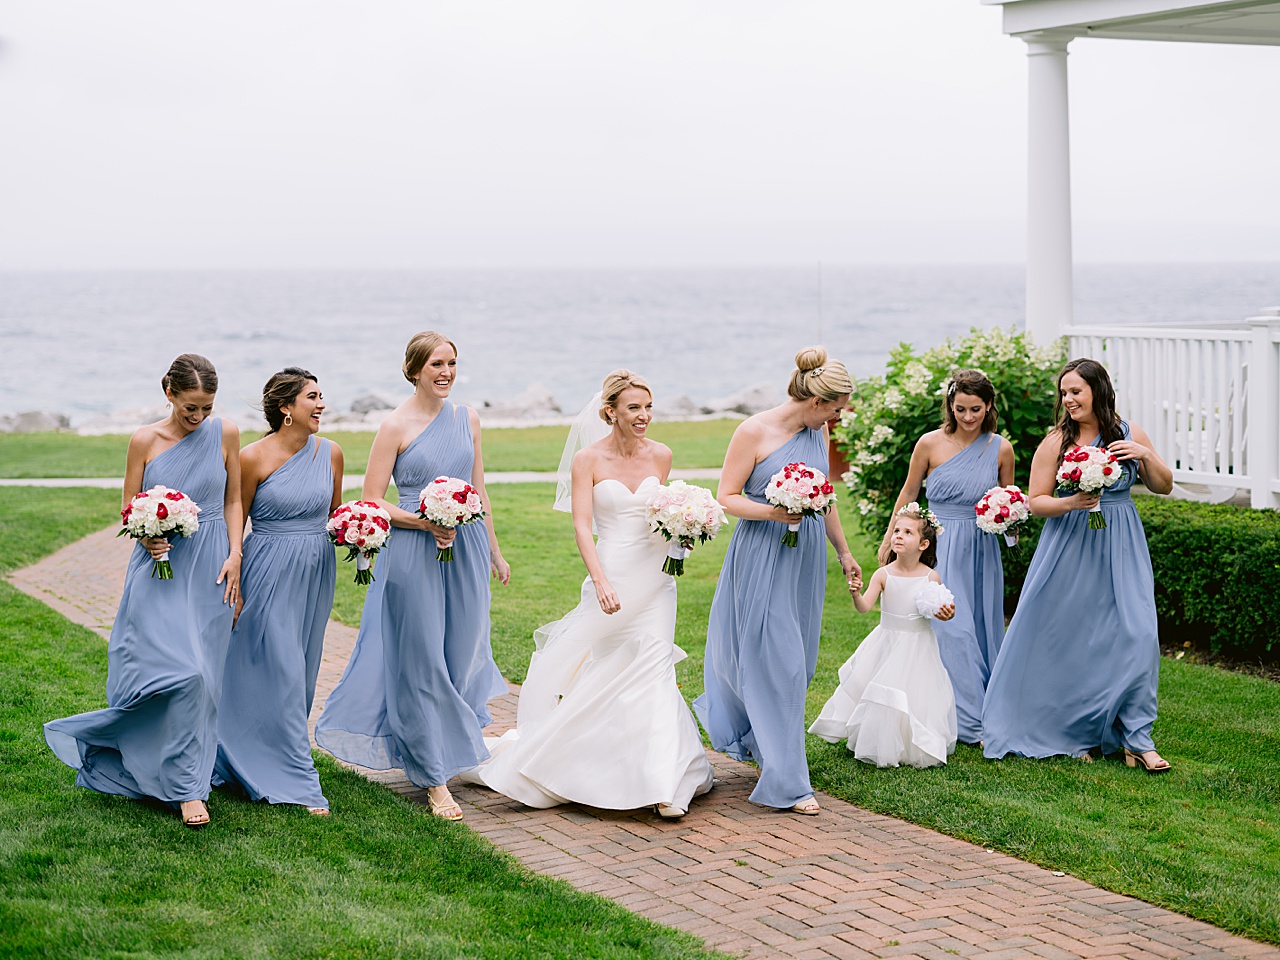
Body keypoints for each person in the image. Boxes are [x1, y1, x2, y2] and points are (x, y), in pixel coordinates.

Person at [461, 371, 714, 817]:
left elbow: (661, 514)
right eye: (633, 408)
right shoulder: (588, 460)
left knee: (654, 671)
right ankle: (578, 761)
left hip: (658, 582)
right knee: (609, 670)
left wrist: (684, 533)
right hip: (611, 574)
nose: (643, 416)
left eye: (648, 407)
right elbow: (582, 525)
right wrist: (599, 580)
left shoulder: (662, 456)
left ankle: (663, 782)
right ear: (610, 411)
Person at [316, 331, 510, 820]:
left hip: (463, 549)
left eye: (452, 364)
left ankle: (448, 746)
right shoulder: (395, 426)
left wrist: (493, 548)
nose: (446, 373)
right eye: (436, 365)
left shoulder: (469, 418)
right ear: (414, 370)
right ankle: (432, 776)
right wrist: (425, 522)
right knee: (421, 660)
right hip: (412, 550)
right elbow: (373, 496)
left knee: (461, 656)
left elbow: (479, 488)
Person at [44, 354, 242, 828]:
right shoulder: (144, 440)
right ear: (168, 392)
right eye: (190, 407)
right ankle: (174, 779)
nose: (198, 418)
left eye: (207, 409)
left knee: (205, 680)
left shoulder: (227, 433)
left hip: (213, 564)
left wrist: (236, 554)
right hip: (158, 568)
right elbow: (129, 506)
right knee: (180, 673)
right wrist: (145, 532)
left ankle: (190, 783)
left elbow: (234, 498)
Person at [982, 358, 1174, 770]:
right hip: (1070, 544)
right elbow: (1036, 501)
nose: (1068, 399)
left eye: (1076, 391)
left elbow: (1163, 485)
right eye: (1064, 392)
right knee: (1070, 638)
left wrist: (1143, 454)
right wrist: (1072, 501)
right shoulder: (1057, 441)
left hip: (1121, 541)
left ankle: (1138, 738)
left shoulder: (1128, 433)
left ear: (1098, 391)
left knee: (1138, 634)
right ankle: (1074, 728)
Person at [694, 346, 861, 815]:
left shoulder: (819, 429)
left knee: (798, 663)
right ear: (814, 401)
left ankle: (764, 742)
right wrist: (775, 511)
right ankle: (789, 783)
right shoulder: (753, 431)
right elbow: (726, 496)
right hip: (762, 552)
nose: (838, 416)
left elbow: (824, 498)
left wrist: (844, 552)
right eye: (835, 408)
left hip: (803, 556)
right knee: (777, 662)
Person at [214, 368, 342, 815]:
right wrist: (235, 567)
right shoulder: (252, 457)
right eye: (312, 397)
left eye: (321, 395)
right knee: (278, 669)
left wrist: (360, 536)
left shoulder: (332, 454)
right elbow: (237, 515)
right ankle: (297, 778)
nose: (321, 404)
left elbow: (335, 516)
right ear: (286, 408)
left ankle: (257, 753)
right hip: (267, 567)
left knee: (302, 671)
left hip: (316, 570)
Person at [881, 369, 1014, 745]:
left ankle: (988, 709)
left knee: (984, 629)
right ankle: (965, 719)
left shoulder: (1001, 448)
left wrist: (1012, 522)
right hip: (938, 544)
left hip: (981, 547)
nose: (968, 417)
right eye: (960, 409)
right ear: (950, 405)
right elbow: (909, 493)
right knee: (952, 628)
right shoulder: (928, 444)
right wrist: (892, 537)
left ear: (988, 407)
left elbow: (1008, 498)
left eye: (976, 409)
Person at [809, 504, 957, 767]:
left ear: (923, 544)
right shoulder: (883, 574)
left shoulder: (931, 577)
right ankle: (881, 741)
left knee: (918, 693)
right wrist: (856, 594)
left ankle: (914, 742)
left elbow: (936, 609)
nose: (898, 536)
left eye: (907, 532)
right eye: (896, 530)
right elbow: (865, 608)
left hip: (919, 647)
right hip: (888, 642)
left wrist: (946, 613)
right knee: (885, 692)